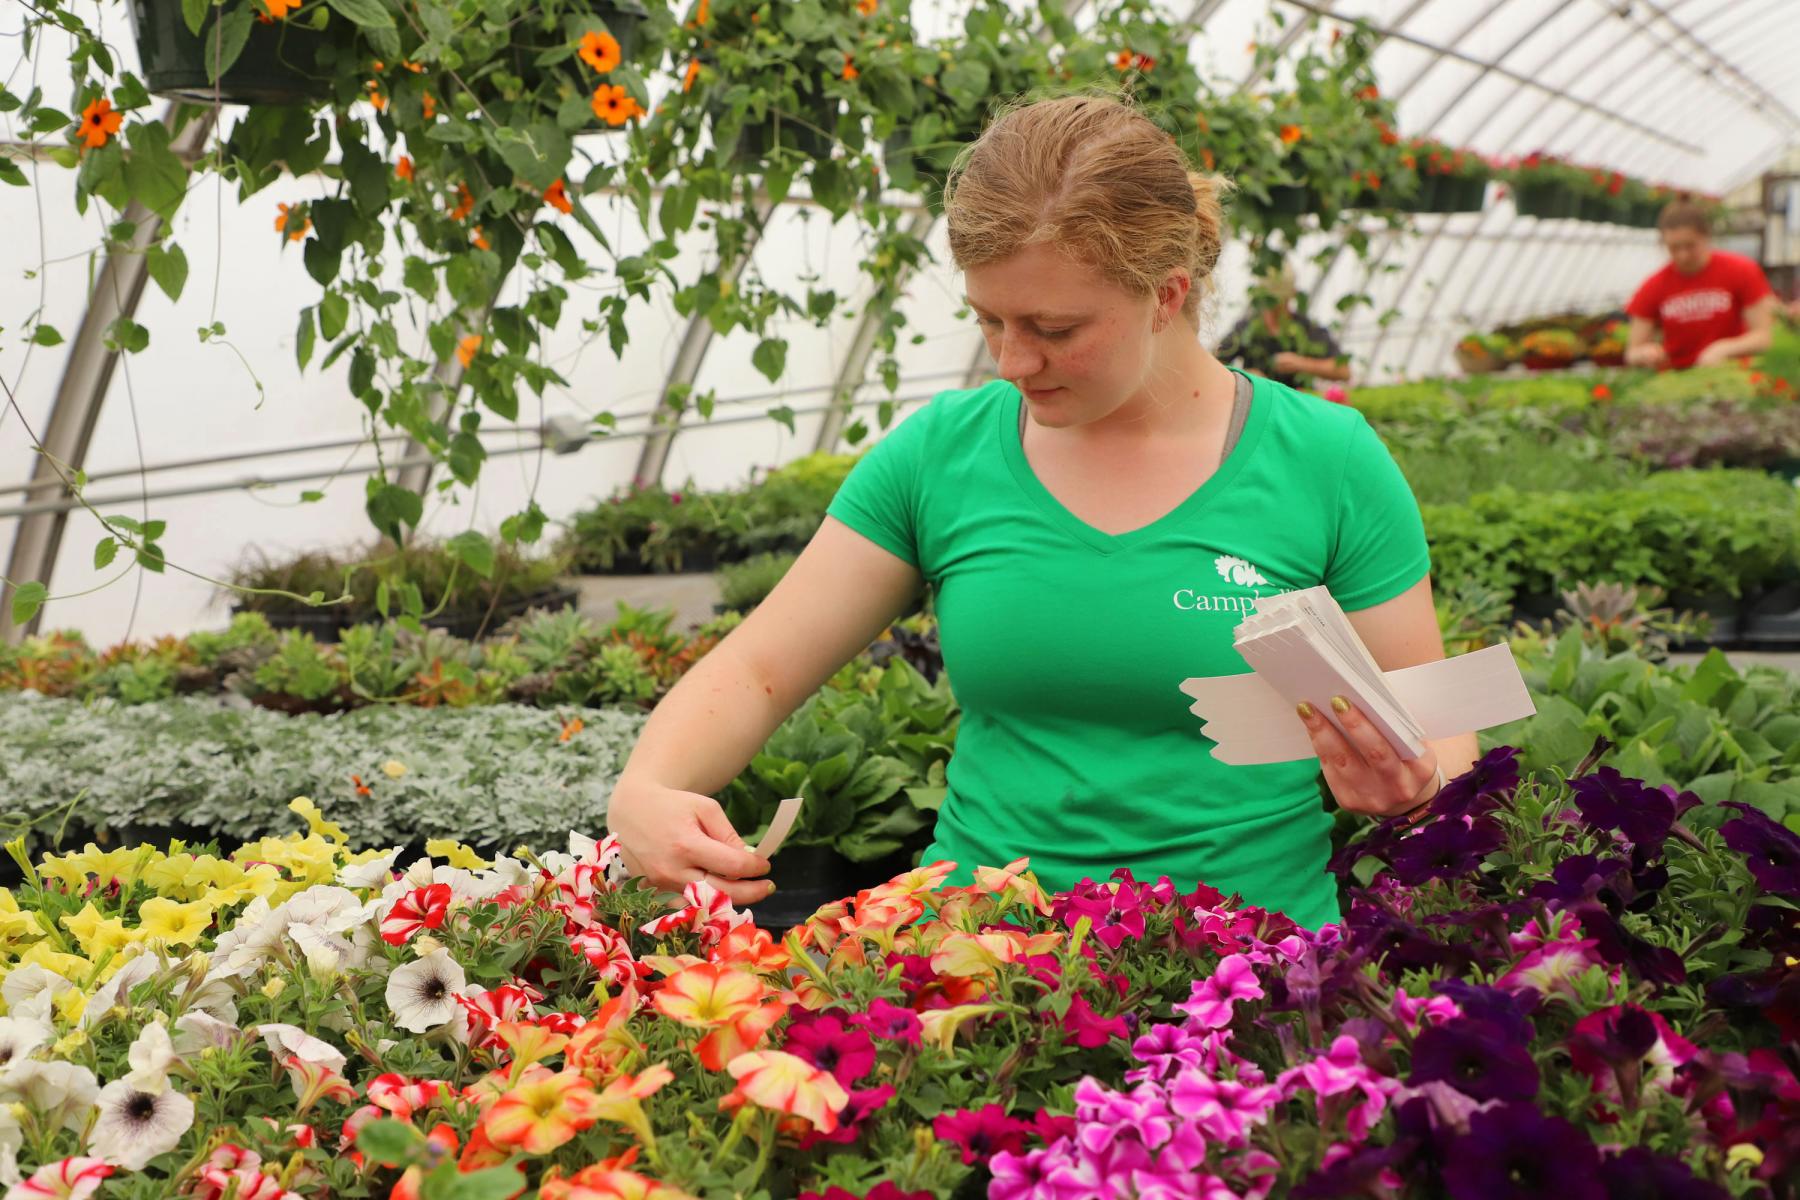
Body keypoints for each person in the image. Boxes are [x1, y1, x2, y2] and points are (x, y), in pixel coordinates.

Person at [605, 93, 1479, 930]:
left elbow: (1441, 740)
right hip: (972, 967)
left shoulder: (1327, 461)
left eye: (1055, 328)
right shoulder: (940, 455)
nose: (1014, 359)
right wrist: (645, 789)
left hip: (1244, 977)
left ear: (1167, 294)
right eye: (988, 319)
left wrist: (1413, 789)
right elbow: (757, 671)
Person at [1625, 200, 1777, 369]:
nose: (1683, 255)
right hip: (1677, 377)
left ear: (1706, 237)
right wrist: (1644, 353)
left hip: (1732, 372)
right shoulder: (1654, 285)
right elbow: (1632, 352)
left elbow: (1764, 337)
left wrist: (1724, 349)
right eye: (1674, 248)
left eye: (1690, 245)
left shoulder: (1741, 271)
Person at [1214, 262, 1353, 390]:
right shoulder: (1247, 329)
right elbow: (1214, 363)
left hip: (1296, 408)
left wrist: (1302, 363)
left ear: (1292, 295)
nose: (1274, 307)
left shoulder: (1307, 329)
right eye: (1270, 300)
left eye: (1279, 300)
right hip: (1260, 405)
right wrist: (1245, 376)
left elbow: (1344, 371)